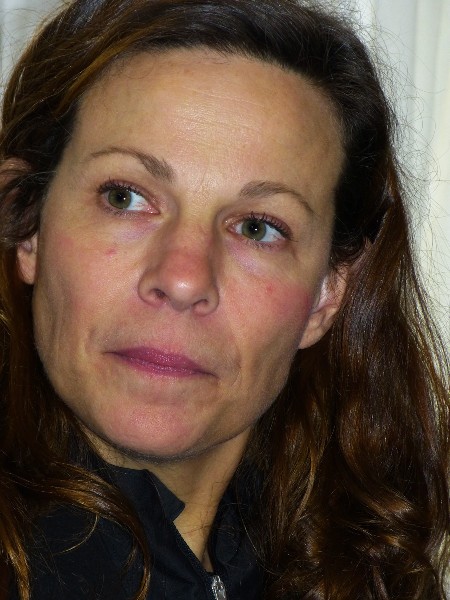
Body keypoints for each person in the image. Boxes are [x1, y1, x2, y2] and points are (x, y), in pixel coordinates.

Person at [0, 0, 448, 598]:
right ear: (27, 223)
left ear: (327, 294)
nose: (184, 279)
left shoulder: (368, 569)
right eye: (125, 197)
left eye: (258, 228)